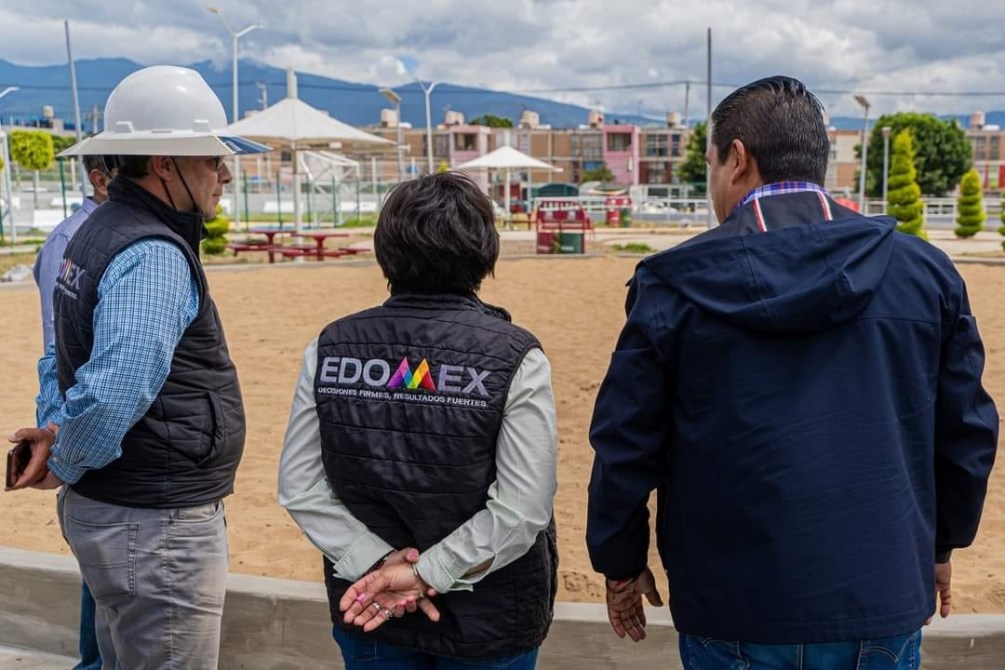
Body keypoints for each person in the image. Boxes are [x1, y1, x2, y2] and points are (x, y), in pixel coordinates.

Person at [586, 75, 998, 670]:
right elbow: (967, 432)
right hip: (879, 589)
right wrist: (940, 546)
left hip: (732, 604)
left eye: (709, 165)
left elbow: (625, 443)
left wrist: (620, 561)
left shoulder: (671, 285)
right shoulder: (924, 273)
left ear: (737, 159)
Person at [9, 65, 269, 668]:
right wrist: (65, 459)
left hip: (125, 514)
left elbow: (58, 357)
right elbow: (112, 393)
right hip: (155, 524)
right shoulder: (151, 252)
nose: (224, 172)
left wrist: (53, 433)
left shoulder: (94, 230)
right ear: (164, 162)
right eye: (211, 159)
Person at [278, 171, 559, 669]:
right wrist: (426, 572)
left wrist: (379, 564)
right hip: (489, 618)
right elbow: (522, 508)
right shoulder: (515, 355)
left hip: (369, 605)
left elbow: (300, 487)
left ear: (386, 250)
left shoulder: (331, 346)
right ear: (484, 252)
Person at [30, 153, 116, 670]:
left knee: (105, 563)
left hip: (97, 416)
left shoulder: (109, 233)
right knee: (100, 562)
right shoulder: (71, 239)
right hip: (85, 413)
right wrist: (60, 430)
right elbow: (56, 347)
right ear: (100, 177)